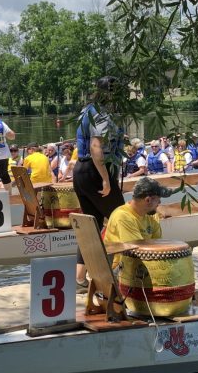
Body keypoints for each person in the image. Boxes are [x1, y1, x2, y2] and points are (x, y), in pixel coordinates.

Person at [73, 76, 127, 291]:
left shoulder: (87, 110)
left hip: (81, 171)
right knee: (123, 218)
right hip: (95, 172)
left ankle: (79, 279)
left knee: (91, 226)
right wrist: (106, 179)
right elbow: (96, 147)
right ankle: (121, 273)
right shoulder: (102, 115)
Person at [105, 177, 173, 265]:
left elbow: (158, 245)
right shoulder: (123, 216)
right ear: (148, 200)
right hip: (122, 269)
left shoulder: (151, 216)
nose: (159, 202)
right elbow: (138, 251)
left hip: (142, 263)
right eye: (158, 198)